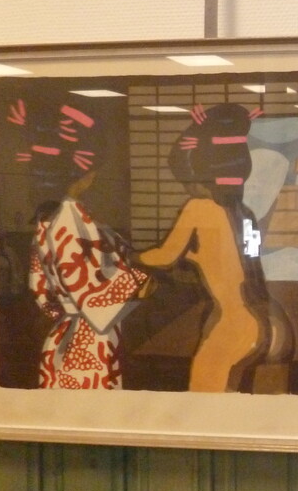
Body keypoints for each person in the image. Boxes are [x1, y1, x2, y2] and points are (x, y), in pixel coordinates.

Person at [137, 103, 274, 392]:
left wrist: (128, 255)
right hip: (261, 318)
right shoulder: (245, 214)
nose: (187, 186)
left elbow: (164, 256)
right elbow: (249, 261)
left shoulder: (199, 208)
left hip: (232, 322)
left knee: (203, 398)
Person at [26, 102, 149, 389]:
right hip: (88, 341)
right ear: (88, 173)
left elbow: (39, 286)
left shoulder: (47, 219)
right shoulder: (70, 220)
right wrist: (141, 280)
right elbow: (96, 294)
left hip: (63, 332)